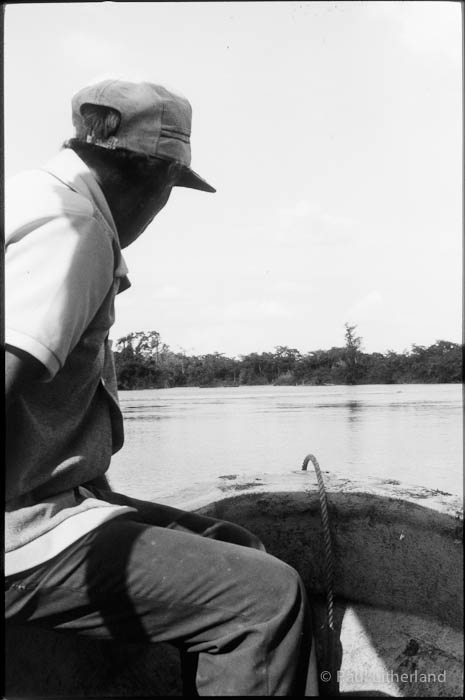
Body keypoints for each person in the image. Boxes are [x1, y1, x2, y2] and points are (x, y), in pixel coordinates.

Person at [5, 78, 318, 696]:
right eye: (171, 190)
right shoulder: (76, 229)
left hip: (43, 505)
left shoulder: (27, 195)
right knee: (266, 598)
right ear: (154, 176)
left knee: (237, 545)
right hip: (20, 535)